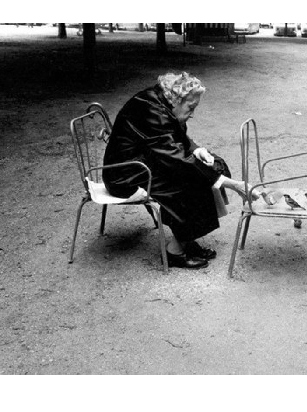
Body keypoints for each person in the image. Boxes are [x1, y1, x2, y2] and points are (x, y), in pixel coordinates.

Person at [103, 71, 248, 269]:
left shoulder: (161, 102)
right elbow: (174, 155)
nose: (192, 113)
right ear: (177, 100)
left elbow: (175, 137)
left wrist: (198, 150)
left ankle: (185, 238)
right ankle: (175, 251)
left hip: (143, 163)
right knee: (190, 182)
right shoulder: (150, 108)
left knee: (211, 165)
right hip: (124, 175)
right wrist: (233, 185)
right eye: (191, 107)